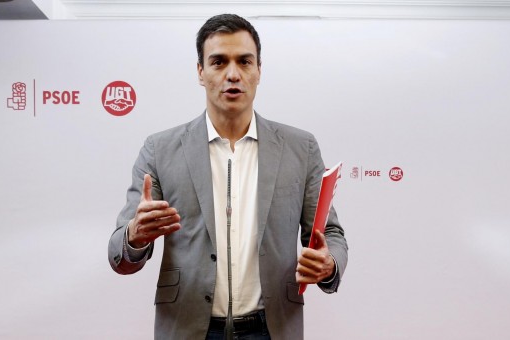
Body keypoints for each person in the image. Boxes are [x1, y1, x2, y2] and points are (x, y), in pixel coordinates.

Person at [108, 13, 348, 340]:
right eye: (219, 62)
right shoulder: (160, 150)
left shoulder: (300, 148)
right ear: (200, 72)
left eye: (244, 62)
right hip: (188, 327)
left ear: (259, 71)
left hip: (273, 327)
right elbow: (120, 255)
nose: (233, 74)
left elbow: (329, 233)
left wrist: (329, 264)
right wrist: (136, 235)